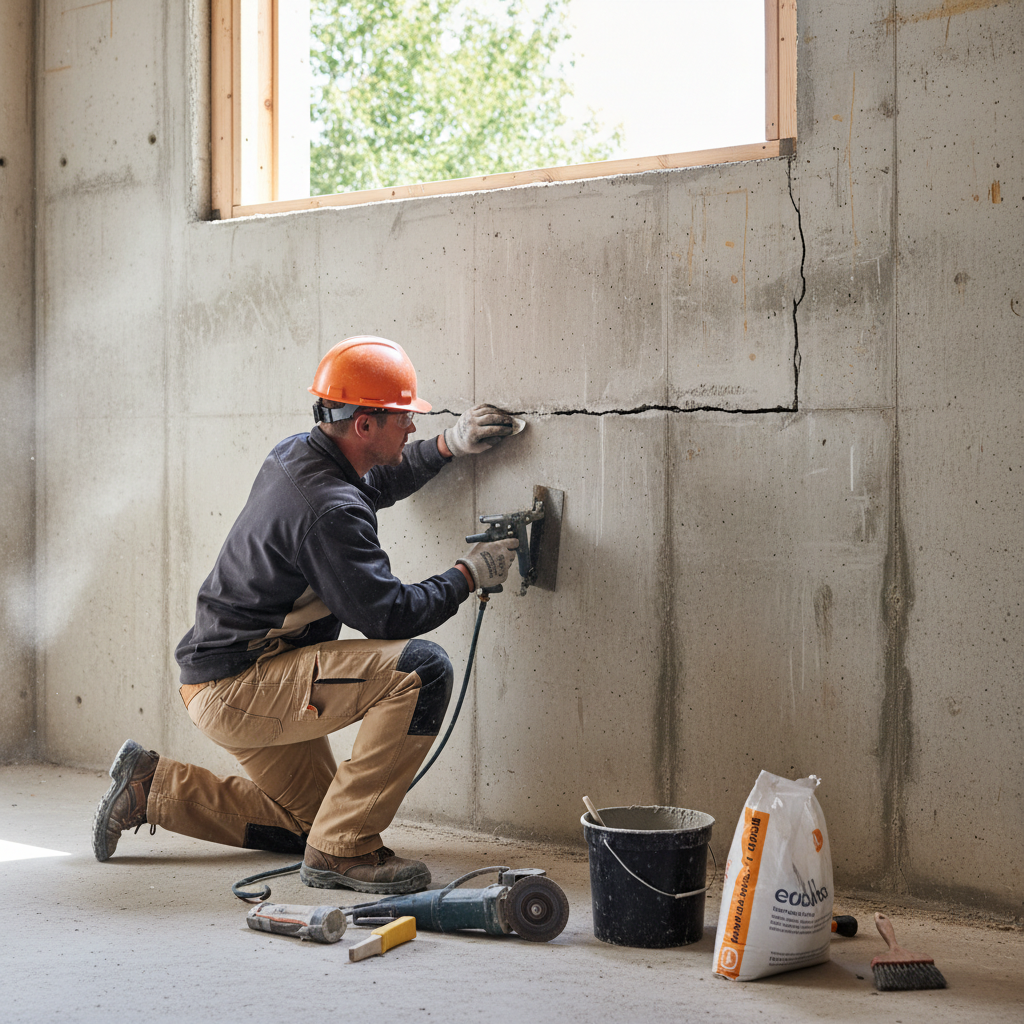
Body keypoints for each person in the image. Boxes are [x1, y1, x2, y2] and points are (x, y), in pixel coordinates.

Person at [92, 335, 521, 895]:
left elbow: (373, 480)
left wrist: (447, 446)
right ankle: (344, 853)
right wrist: (467, 574)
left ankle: (151, 789)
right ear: (363, 424)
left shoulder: (300, 454)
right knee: (422, 670)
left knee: (315, 823)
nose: (411, 426)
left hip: (226, 676)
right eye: (402, 418)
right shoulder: (326, 509)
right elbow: (390, 616)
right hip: (242, 686)